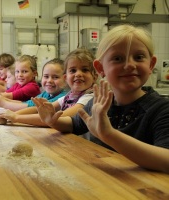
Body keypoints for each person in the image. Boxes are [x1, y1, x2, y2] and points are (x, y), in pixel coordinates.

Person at [33, 24, 169, 173]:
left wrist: (109, 135)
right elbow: (74, 124)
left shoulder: (161, 110)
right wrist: (53, 121)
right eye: (118, 58)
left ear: (151, 64)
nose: (130, 64)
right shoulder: (101, 102)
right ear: (100, 68)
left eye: (138, 57)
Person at [0, 48, 98, 127]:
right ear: (66, 77)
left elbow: (55, 118)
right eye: (73, 70)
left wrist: (17, 118)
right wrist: (11, 114)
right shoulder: (69, 96)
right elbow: (39, 110)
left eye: (85, 70)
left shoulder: (89, 98)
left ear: (95, 76)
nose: (78, 74)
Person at [0, 58, 67, 111]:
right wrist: (2, 100)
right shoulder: (45, 94)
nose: (49, 80)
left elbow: (32, 108)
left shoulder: (64, 96)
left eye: (55, 77)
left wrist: (3, 103)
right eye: (46, 76)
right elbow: (27, 103)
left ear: (65, 78)